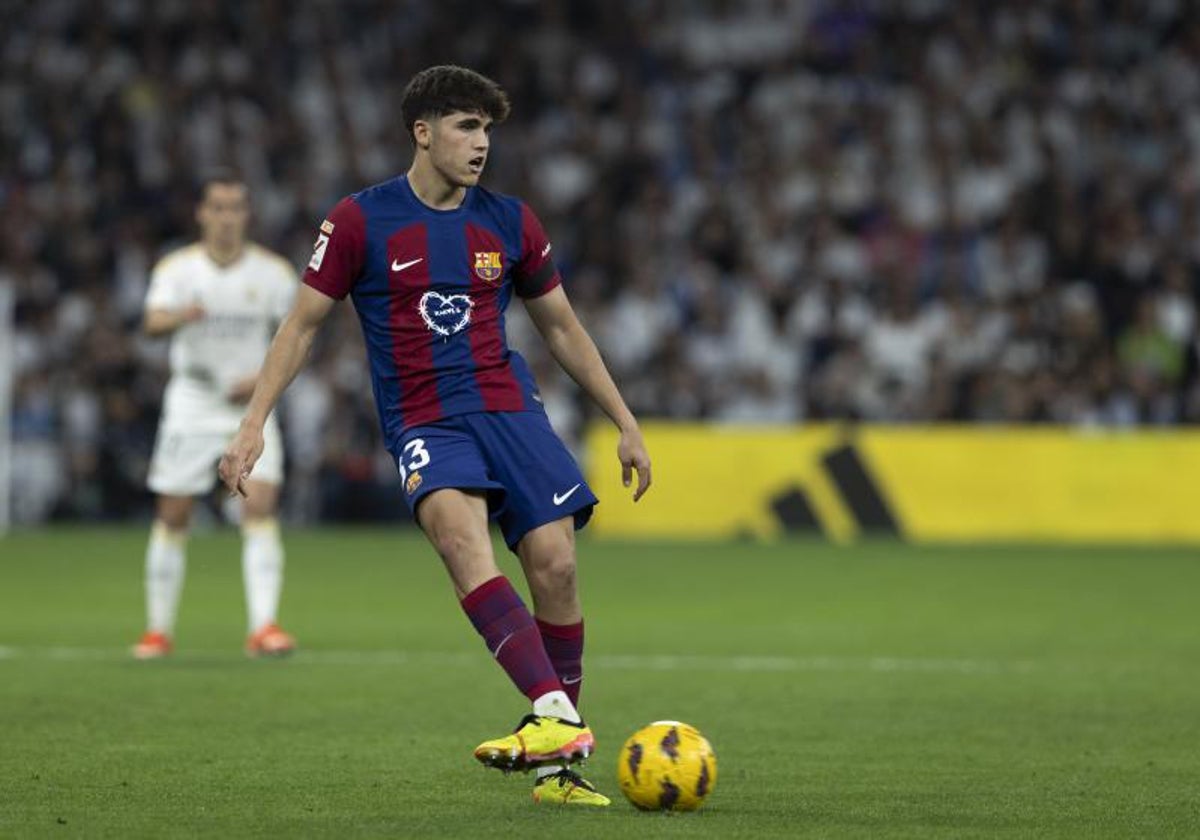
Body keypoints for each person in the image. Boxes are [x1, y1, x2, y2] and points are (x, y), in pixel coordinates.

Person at [218, 65, 651, 806]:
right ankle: (556, 719)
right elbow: (302, 325)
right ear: (423, 132)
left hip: (510, 409)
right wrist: (254, 420)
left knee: (556, 566)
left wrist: (625, 419)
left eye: (487, 129)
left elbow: (562, 327)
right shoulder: (359, 220)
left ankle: (556, 769)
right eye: (466, 126)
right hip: (424, 416)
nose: (481, 143)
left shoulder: (512, 221)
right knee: (460, 541)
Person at [134, 172, 298, 660]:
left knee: (259, 506)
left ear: (247, 215)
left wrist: (262, 380)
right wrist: (183, 315)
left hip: (251, 405)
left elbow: (296, 336)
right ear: (202, 213)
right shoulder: (178, 269)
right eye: (218, 207)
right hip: (193, 398)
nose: (227, 217)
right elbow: (151, 321)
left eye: (235, 208)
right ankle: (158, 630)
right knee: (173, 513)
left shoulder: (273, 273)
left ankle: (264, 626)